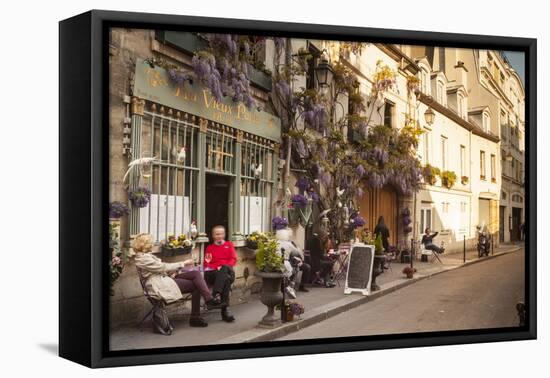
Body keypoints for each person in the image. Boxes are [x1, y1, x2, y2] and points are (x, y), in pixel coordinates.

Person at [133, 234, 221, 328]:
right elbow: (163, 267)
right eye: (150, 242)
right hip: (159, 284)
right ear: (145, 244)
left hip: (164, 278)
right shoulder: (142, 259)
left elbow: (160, 269)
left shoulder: (146, 256)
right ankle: (197, 316)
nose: (152, 244)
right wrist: (183, 263)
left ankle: (208, 300)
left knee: (195, 274)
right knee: (196, 285)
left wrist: (174, 272)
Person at [204, 225, 237, 322]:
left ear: (224, 234)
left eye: (221, 234)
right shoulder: (209, 248)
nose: (219, 236)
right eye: (217, 234)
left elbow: (233, 260)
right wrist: (217, 268)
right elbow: (206, 264)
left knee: (225, 270)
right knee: (225, 278)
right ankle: (225, 312)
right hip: (212, 274)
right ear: (213, 235)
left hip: (227, 271)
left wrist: (223, 267)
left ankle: (215, 295)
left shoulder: (229, 245)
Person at [276, 228, 311, 293]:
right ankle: (291, 285)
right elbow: (297, 252)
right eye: (289, 234)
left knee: (304, 267)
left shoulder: (276, 243)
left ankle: (297, 285)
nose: (290, 236)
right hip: (287, 262)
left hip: (278, 262)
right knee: (295, 268)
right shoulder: (288, 244)